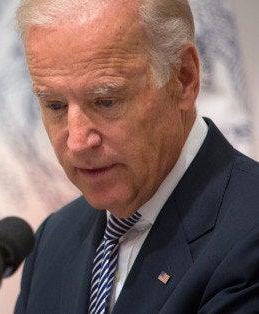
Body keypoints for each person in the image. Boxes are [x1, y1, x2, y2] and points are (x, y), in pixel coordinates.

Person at [14, 0, 259, 313]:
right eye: (55, 106)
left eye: (105, 101)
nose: (77, 142)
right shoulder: (54, 239)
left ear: (183, 78)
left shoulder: (249, 234)